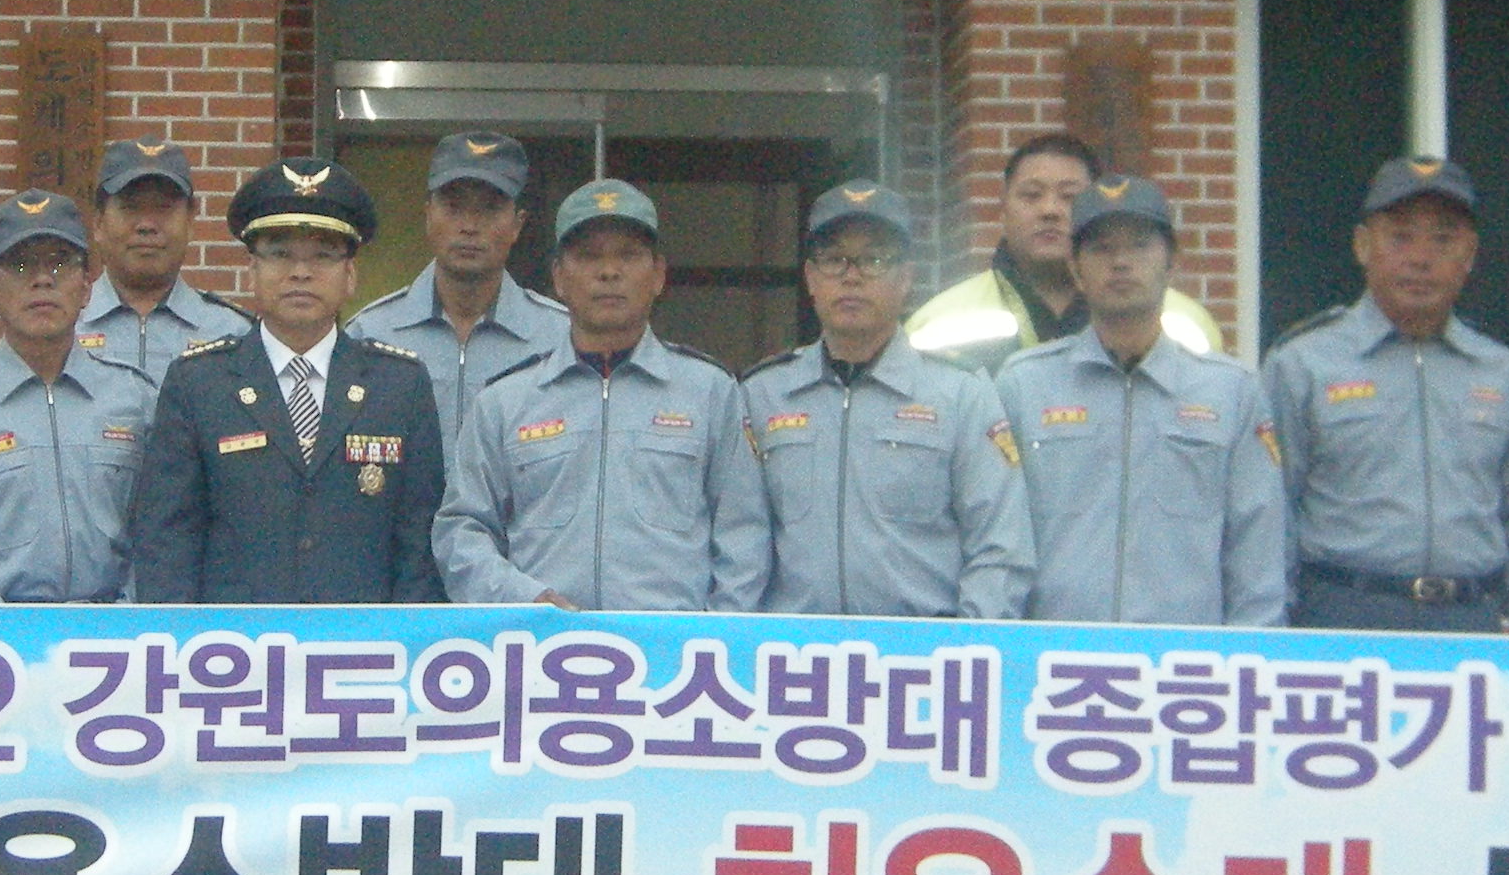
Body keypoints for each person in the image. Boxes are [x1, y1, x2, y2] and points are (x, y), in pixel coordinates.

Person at [1263, 156, 1509, 634]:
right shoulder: (1302, 365)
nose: (1421, 258)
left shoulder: (1504, 373)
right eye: (1400, 237)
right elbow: (1271, 515)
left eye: (1443, 240)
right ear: (1363, 245)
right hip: (1343, 616)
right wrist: (1269, 634)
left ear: (1470, 255)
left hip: (1471, 619)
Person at [437, 178, 770, 610]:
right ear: (559, 277)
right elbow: (461, 531)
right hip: (542, 643)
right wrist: (523, 599)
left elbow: (744, 534)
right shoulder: (505, 402)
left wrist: (710, 632)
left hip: (670, 648)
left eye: (628, 255)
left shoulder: (710, 392)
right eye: (589, 256)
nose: (609, 272)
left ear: (658, 275)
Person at [131, 160, 446, 602]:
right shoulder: (199, 384)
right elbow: (167, 543)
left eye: (323, 256)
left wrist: (405, 640)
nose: (301, 272)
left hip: (363, 639)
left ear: (350, 275)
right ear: (252, 271)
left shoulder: (399, 386)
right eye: (280, 254)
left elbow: (420, 545)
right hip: (234, 641)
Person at [997, 174, 1288, 625]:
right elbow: (1000, 541)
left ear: (1172, 264)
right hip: (1055, 651)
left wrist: (1253, 652)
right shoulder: (1023, 385)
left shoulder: (1232, 392)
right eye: (1101, 249)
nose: (1120, 262)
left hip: (1185, 657)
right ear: (1075, 269)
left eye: (1139, 246)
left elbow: (1258, 552)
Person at [739, 181, 1031, 619]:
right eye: (834, 260)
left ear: (906, 278)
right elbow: (742, 542)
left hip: (920, 653)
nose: (852, 276)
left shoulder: (960, 394)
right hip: (796, 653)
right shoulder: (764, 395)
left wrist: (964, 646)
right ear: (811, 279)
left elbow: (1000, 546)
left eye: (874, 260)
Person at [0, 192, 153, 602]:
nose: (42, 280)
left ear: (86, 288)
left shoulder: (136, 399)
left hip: (116, 631)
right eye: (21, 265)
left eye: (60, 263)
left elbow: (161, 532)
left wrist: (123, 620)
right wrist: (0, 626)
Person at [905, 128, 1224, 371]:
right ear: (1002, 211)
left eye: (1069, 197)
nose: (1050, 210)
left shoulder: (1185, 324)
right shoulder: (935, 324)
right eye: (1031, 195)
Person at [349, 131, 568, 440]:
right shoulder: (370, 335)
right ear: (428, 216)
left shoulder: (559, 337)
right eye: (454, 208)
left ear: (517, 225)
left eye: (489, 209)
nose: (469, 226)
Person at [77, 136, 249, 385]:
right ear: (98, 223)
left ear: (190, 223)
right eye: (130, 208)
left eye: (163, 208)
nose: (147, 225)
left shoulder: (233, 333)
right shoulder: (65, 325)